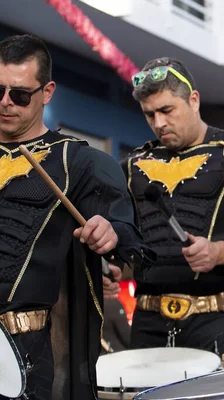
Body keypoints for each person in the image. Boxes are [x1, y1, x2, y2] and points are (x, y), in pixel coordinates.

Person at [0, 34, 152, 400]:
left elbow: (127, 233)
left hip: (25, 351)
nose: (5, 102)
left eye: (19, 94)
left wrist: (109, 233)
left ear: (46, 92)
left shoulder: (79, 162)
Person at [123, 57, 224, 367]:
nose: (159, 123)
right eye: (149, 114)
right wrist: (114, 263)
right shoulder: (131, 168)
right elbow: (124, 236)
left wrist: (223, 251)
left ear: (193, 100)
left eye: (167, 110)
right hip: (148, 326)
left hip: (221, 324)